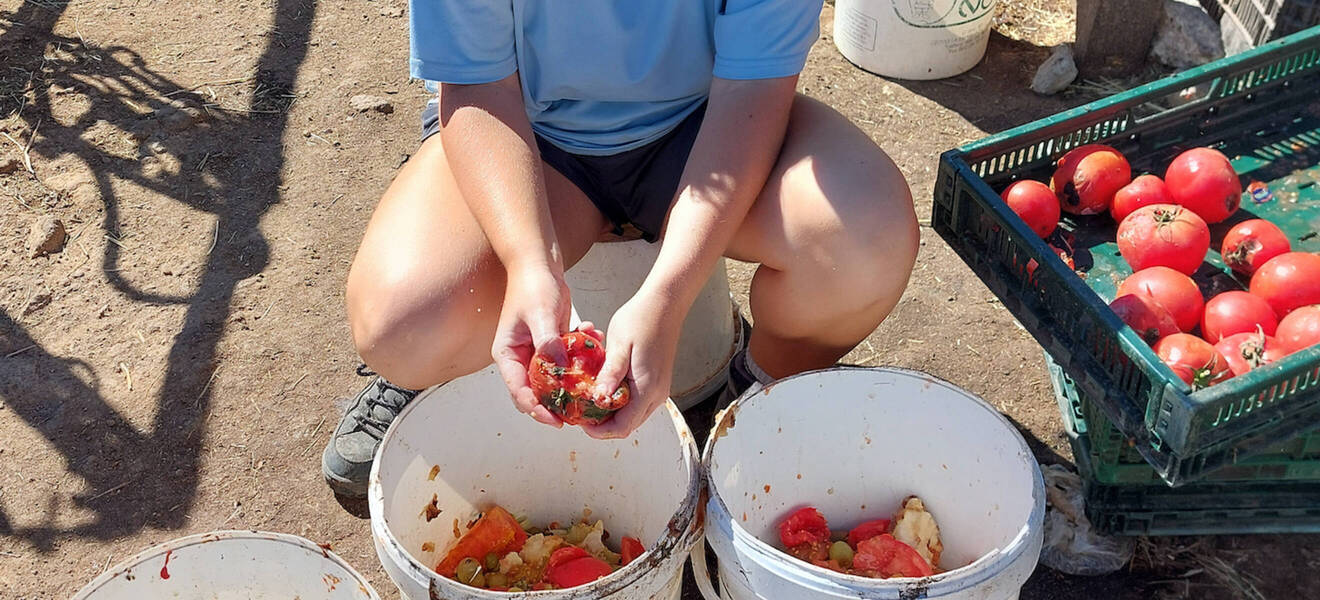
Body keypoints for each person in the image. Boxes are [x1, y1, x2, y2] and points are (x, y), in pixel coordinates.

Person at [322, 0, 919, 498]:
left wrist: (669, 292)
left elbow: (752, 95)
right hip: (529, 138)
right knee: (402, 324)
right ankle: (424, 380)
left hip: (709, 125)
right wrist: (529, 261)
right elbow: (478, 87)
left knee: (866, 242)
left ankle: (760, 397)